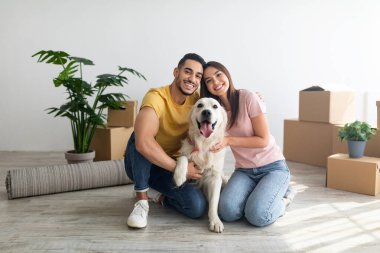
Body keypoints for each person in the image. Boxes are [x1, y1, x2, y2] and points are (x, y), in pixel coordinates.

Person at [200, 61, 296, 227]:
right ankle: (259, 194)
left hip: (272, 167)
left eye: (218, 75)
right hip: (244, 171)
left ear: (226, 74)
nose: (215, 82)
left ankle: (285, 198)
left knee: (258, 216)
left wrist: (229, 140)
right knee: (227, 212)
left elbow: (263, 140)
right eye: (208, 80)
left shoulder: (247, 97)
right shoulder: (213, 110)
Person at [125, 53, 207, 228]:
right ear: (176, 72)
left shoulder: (196, 100)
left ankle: (157, 195)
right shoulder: (156, 97)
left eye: (198, 76)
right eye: (187, 72)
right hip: (142, 162)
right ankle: (141, 202)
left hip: (168, 165)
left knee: (197, 207)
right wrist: (181, 169)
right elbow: (143, 143)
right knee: (143, 136)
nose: (192, 79)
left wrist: (249, 97)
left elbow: (222, 101)